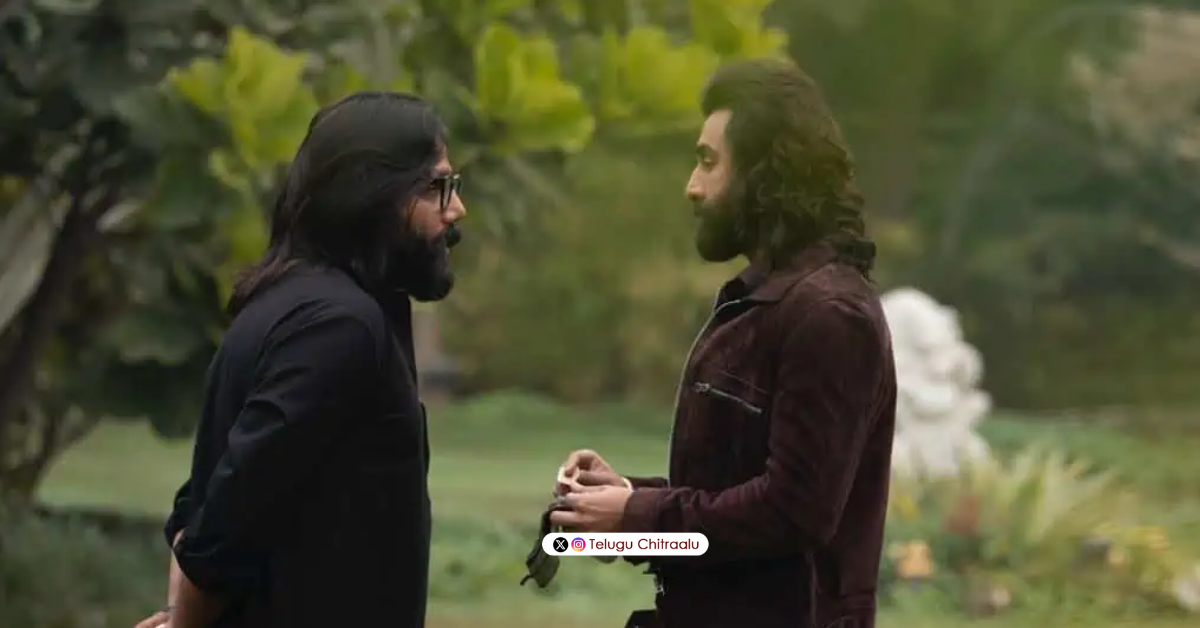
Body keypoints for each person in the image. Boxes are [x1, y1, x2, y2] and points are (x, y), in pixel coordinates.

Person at [551, 57, 898, 628]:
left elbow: (793, 513)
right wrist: (619, 503)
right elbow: (729, 503)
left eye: (709, 162)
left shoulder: (828, 315)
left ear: (767, 175)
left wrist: (638, 516)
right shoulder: (764, 299)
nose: (692, 186)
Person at [133, 91, 466, 628]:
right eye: (435, 187)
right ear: (371, 195)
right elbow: (227, 513)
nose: (455, 210)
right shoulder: (339, 326)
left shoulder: (300, 303)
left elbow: (200, 504)